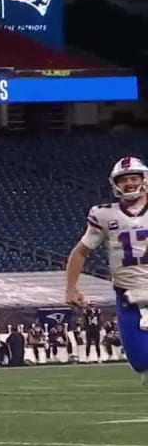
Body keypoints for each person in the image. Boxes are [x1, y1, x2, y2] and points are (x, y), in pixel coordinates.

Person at [66, 156, 148, 379]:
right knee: (140, 362)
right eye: (124, 179)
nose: (129, 183)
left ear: (144, 179)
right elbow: (81, 251)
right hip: (128, 296)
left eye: (134, 177)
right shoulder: (103, 214)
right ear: (115, 185)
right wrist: (72, 288)